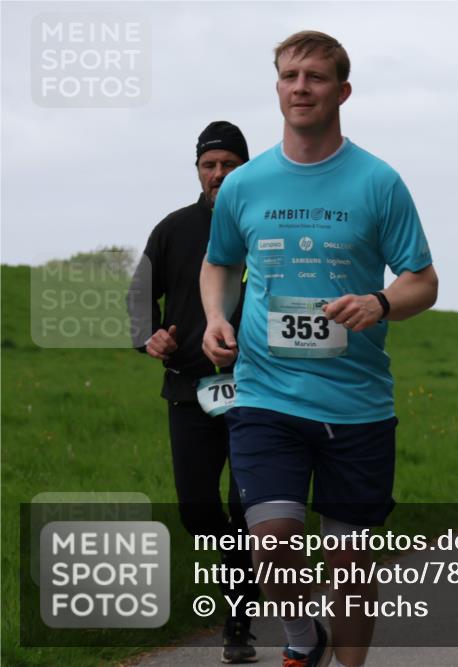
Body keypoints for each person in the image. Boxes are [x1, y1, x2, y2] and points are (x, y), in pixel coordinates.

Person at [200, 31, 437, 667]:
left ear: (343, 91)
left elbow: (423, 280)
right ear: (277, 87)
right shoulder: (247, 184)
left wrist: (381, 303)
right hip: (264, 393)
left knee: (350, 566)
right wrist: (215, 317)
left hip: (357, 405)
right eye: (289, 75)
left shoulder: (379, 182)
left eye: (315, 77)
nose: (300, 87)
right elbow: (219, 262)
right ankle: (303, 641)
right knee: (271, 545)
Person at [127, 121, 259, 663]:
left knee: (248, 506)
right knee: (198, 509)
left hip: (259, 390)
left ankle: (239, 621)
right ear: (198, 170)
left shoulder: (265, 225)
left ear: (245, 169)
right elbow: (139, 296)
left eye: (230, 164)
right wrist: (148, 337)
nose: (219, 174)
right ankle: (241, 566)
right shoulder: (174, 229)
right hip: (189, 389)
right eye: (210, 164)